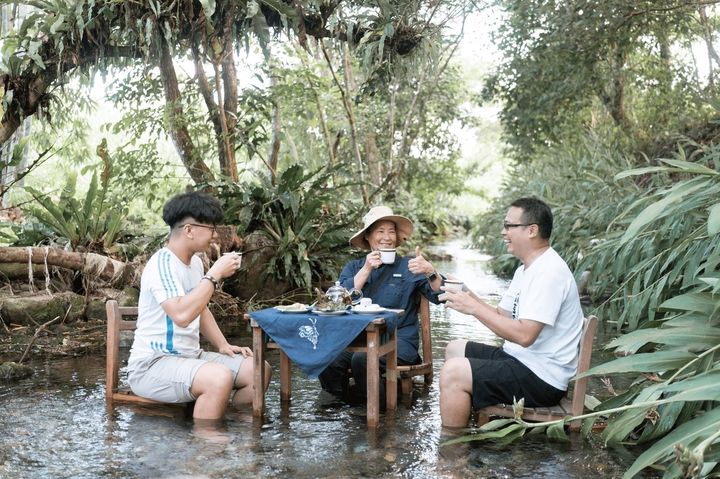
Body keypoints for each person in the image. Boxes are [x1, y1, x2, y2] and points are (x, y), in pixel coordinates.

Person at [439, 197, 583, 428]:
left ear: (532, 230)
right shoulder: (525, 270)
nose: (503, 232)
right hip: (521, 360)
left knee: (453, 372)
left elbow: (525, 336)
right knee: (454, 349)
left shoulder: (549, 272)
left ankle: (453, 454)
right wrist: (467, 294)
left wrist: (474, 309)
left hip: (542, 378)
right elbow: (503, 316)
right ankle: (470, 423)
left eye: (509, 226)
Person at [127, 191, 271, 421]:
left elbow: (200, 309)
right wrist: (214, 275)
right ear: (189, 230)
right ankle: (204, 448)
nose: (215, 235)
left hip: (190, 357)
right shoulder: (162, 264)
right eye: (211, 228)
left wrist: (223, 345)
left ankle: (235, 429)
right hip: (152, 364)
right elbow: (182, 315)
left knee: (258, 370)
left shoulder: (194, 263)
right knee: (218, 378)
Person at [318, 205, 444, 406]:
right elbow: (336, 303)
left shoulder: (411, 266)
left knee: (363, 358)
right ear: (368, 237)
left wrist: (430, 271)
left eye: (391, 231)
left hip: (399, 340)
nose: (387, 237)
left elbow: (442, 296)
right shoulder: (354, 267)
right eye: (380, 231)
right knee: (327, 353)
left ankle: (377, 413)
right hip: (358, 338)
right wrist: (367, 269)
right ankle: (336, 407)